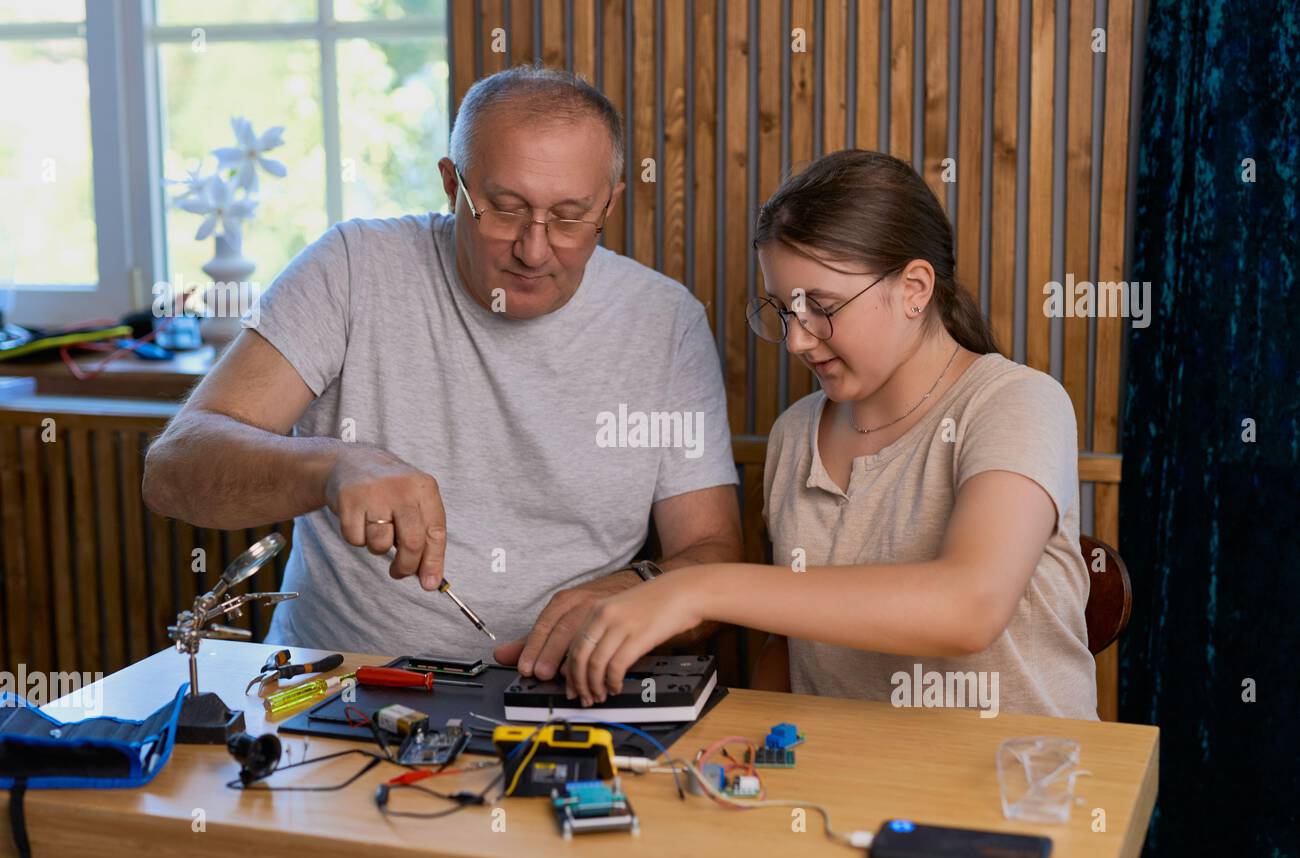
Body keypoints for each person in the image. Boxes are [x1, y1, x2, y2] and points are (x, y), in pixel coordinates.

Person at [142, 66, 742, 674]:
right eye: (504, 210)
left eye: (568, 217)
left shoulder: (666, 322)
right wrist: (330, 466)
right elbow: (173, 469)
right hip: (333, 682)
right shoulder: (352, 267)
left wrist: (639, 585)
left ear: (610, 202)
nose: (535, 250)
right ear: (452, 185)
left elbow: (712, 554)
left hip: (559, 693)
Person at [561, 149, 1097, 720]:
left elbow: (970, 608)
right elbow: (792, 646)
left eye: (822, 306)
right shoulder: (795, 433)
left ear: (915, 287)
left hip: (1020, 786)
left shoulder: (1017, 402)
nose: (796, 341)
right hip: (843, 786)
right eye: (785, 311)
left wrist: (697, 588)